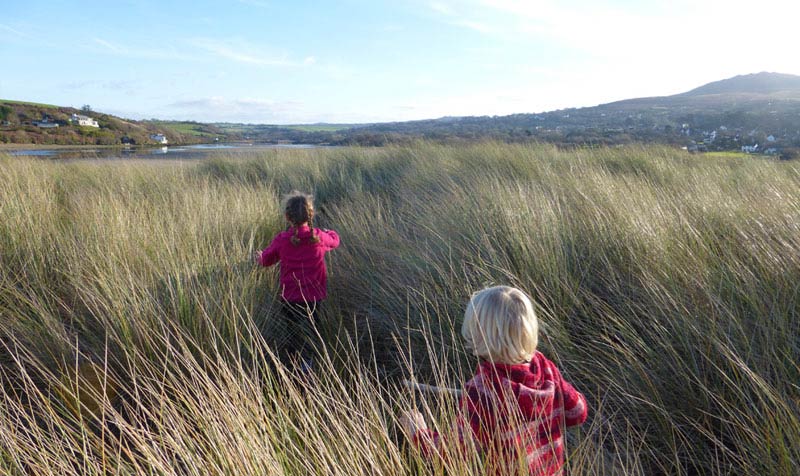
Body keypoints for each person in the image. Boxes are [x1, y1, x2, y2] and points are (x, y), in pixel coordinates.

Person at [400, 285, 588, 476]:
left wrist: (418, 432)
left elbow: (452, 454)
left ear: (478, 334)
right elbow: (578, 412)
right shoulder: (546, 368)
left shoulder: (482, 391)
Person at [254, 191, 340, 368]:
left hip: (290, 297)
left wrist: (259, 257)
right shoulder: (319, 237)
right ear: (311, 214)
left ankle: (294, 364)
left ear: (287, 217)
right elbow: (335, 241)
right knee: (313, 328)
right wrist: (329, 231)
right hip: (314, 297)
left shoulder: (282, 240)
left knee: (292, 332)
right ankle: (309, 364)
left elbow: (266, 260)